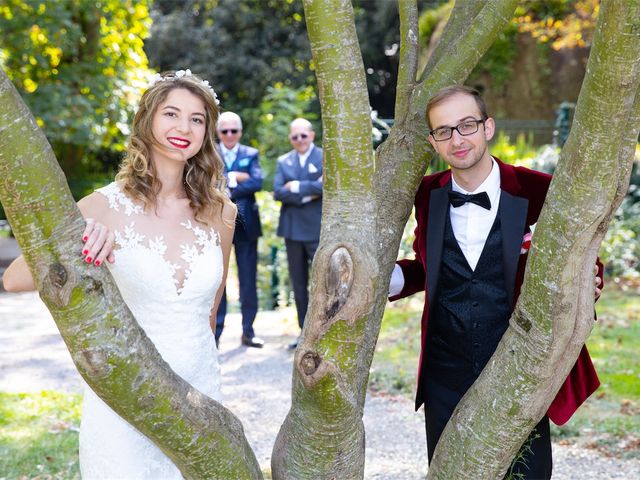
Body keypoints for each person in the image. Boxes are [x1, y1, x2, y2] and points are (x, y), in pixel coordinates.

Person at [3, 69, 235, 479]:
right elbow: (16, 277)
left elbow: (210, 314)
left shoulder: (221, 213)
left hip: (200, 390)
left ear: (207, 132)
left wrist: (203, 385)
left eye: (197, 119)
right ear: (147, 121)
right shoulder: (106, 205)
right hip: (127, 395)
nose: (184, 127)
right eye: (171, 114)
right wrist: (84, 243)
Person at [388, 85, 602, 478]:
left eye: (466, 125)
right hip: (444, 369)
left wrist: (589, 283)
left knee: (527, 473)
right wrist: (391, 278)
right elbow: (435, 267)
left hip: (517, 366)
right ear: (433, 142)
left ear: (488, 127)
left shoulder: (539, 189)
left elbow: (582, 256)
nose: (457, 139)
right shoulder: (425, 195)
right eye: (444, 131)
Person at [215, 111, 265, 348]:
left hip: (247, 226)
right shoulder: (210, 153)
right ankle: (215, 331)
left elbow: (257, 182)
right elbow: (207, 182)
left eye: (234, 130)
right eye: (225, 130)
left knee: (248, 280)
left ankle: (248, 331)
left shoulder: (251, 154)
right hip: (217, 224)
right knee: (217, 279)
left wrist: (226, 182)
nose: (229, 135)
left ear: (240, 132)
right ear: (218, 132)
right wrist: (236, 178)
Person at [273, 118, 323, 349]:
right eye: (295, 136)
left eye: (303, 135)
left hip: (316, 229)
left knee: (324, 281)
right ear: (290, 139)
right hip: (292, 230)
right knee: (298, 283)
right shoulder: (284, 161)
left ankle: (322, 331)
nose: (300, 140)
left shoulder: (324, 157)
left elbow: (327, 186)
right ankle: (303, 332)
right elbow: (277, 192)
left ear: (311, 135)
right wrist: (310, 191)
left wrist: (296, 187)